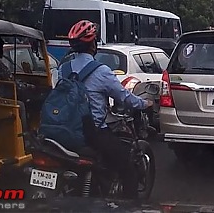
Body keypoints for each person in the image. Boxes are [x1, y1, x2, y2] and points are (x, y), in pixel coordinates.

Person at [64, 19, 154, 199]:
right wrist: (145, 104)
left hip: (64, 129)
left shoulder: (63, 68)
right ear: (93, 45)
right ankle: (131, 207)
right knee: (127, 168)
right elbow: (125, 98)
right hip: (92, 132)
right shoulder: (101, 71)